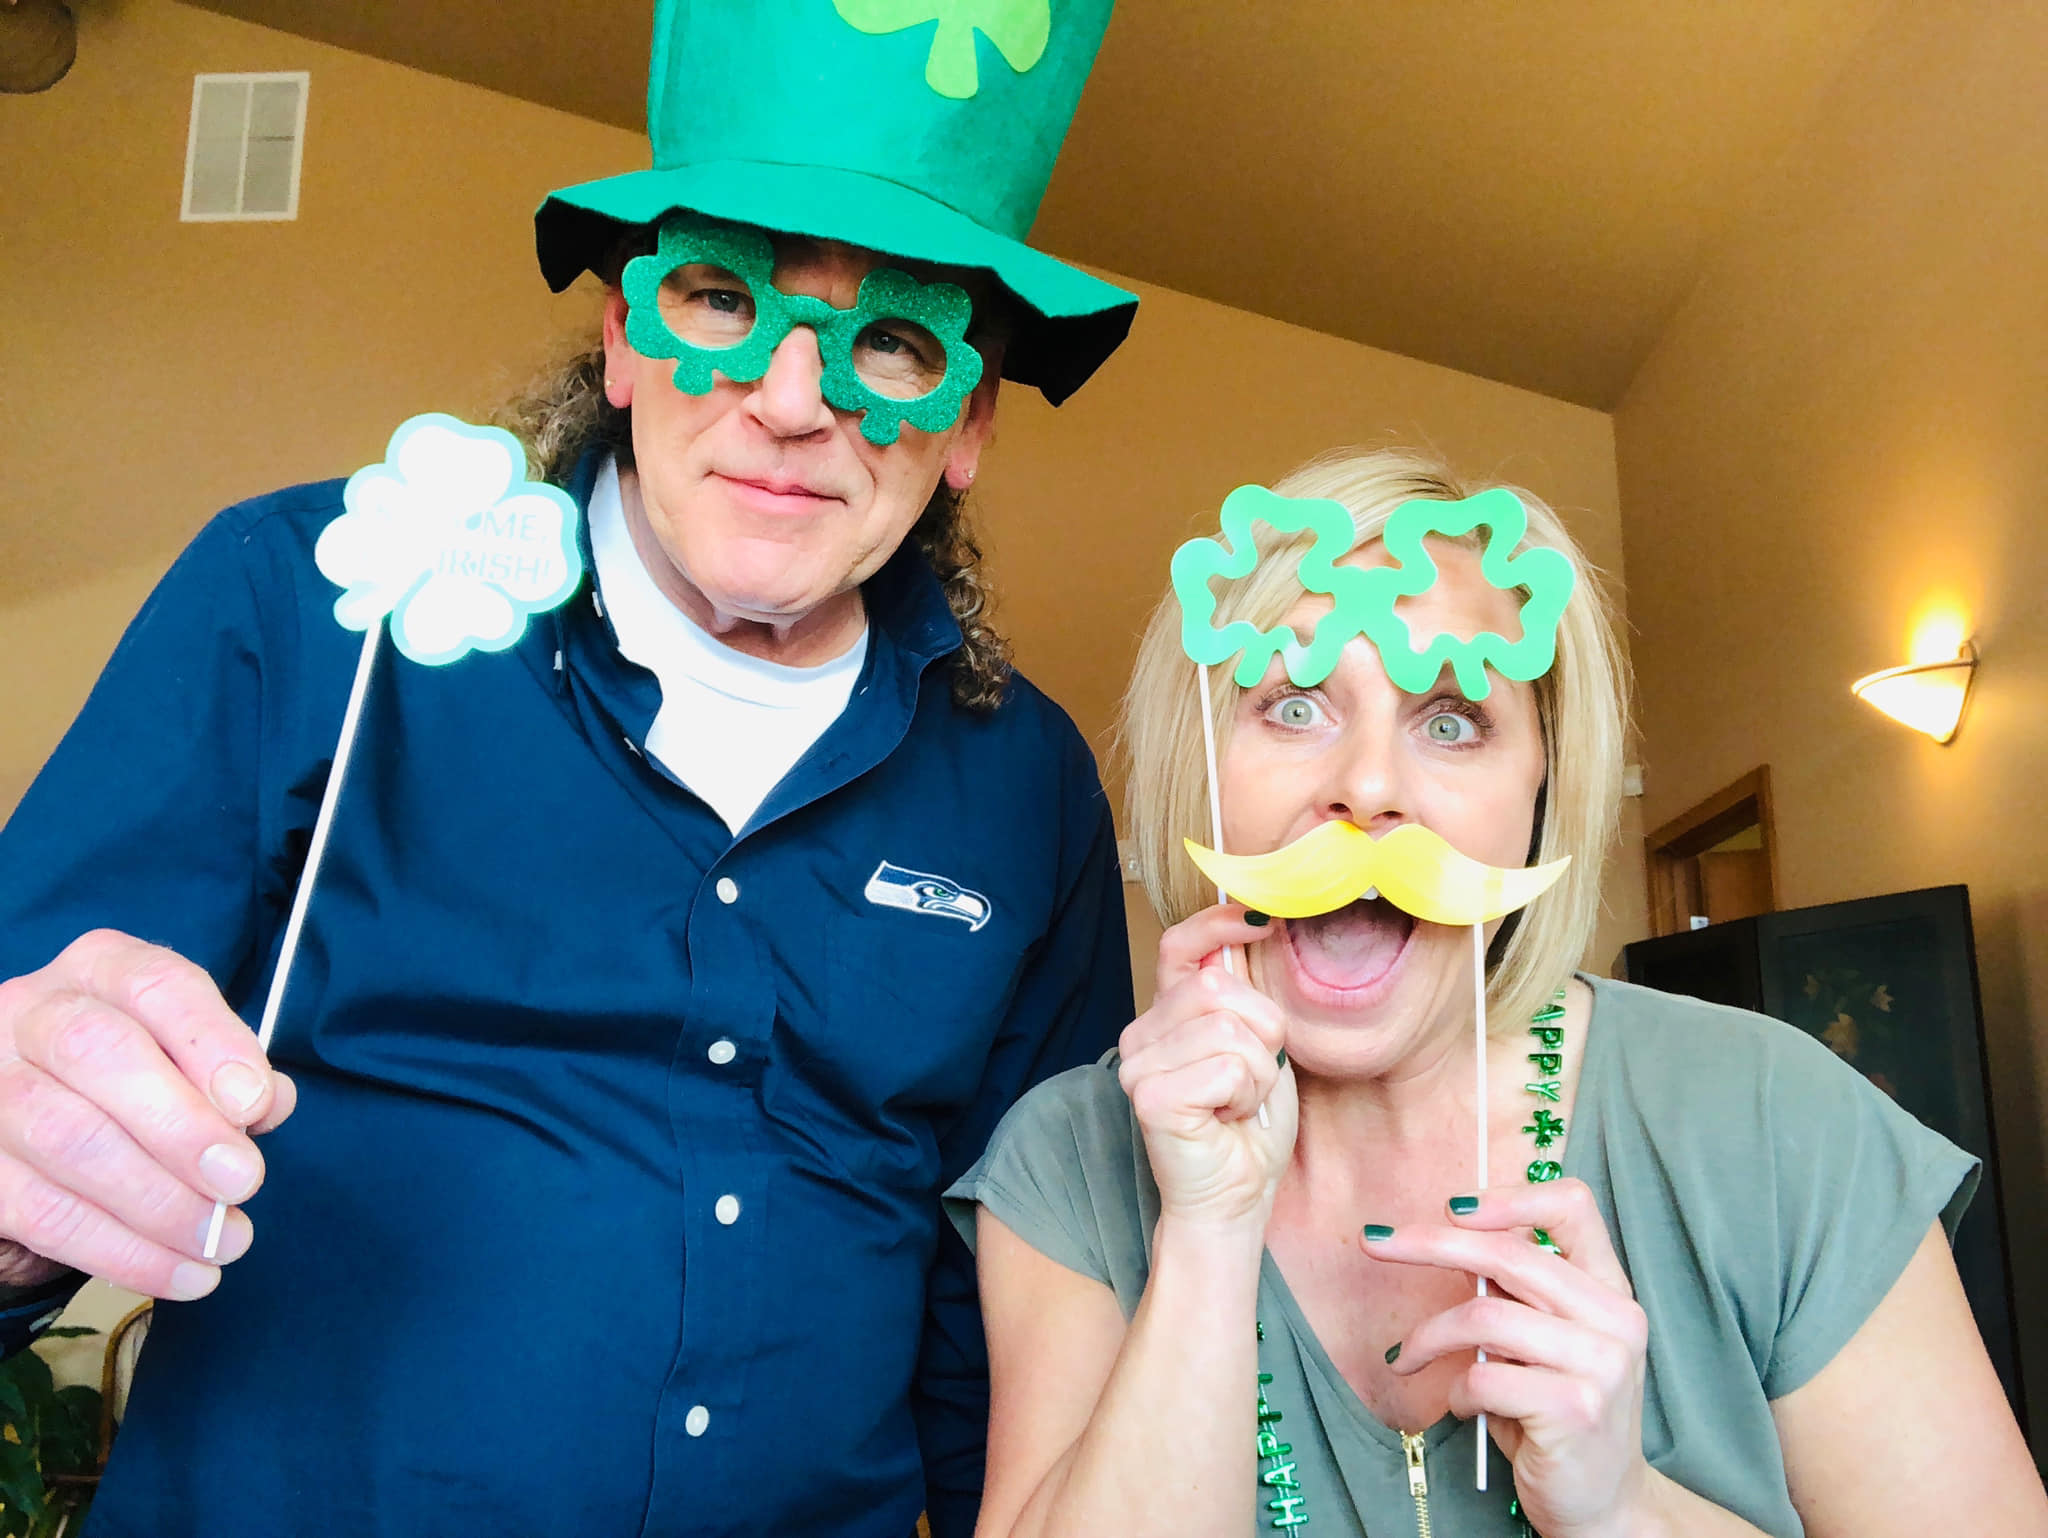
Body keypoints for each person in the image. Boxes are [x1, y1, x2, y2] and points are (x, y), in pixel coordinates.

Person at [0, 2, 1141, 1533]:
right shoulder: (306, 603)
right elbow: (34, 1110)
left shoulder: (1029, 786)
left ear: (971, 420)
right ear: (622, 338)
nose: (793, 403)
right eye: (723, 300)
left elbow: (1004, 1322)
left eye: (892, 340)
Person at [948, 447, 2048, 1537]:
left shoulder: (1776, 1120)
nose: (1367, 786)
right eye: (1292, 705)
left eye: (1449, 719)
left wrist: (1623, 1511)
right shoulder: (1069, 1162)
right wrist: (1205, 1235)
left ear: (1538, 789)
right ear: (1198, 763)